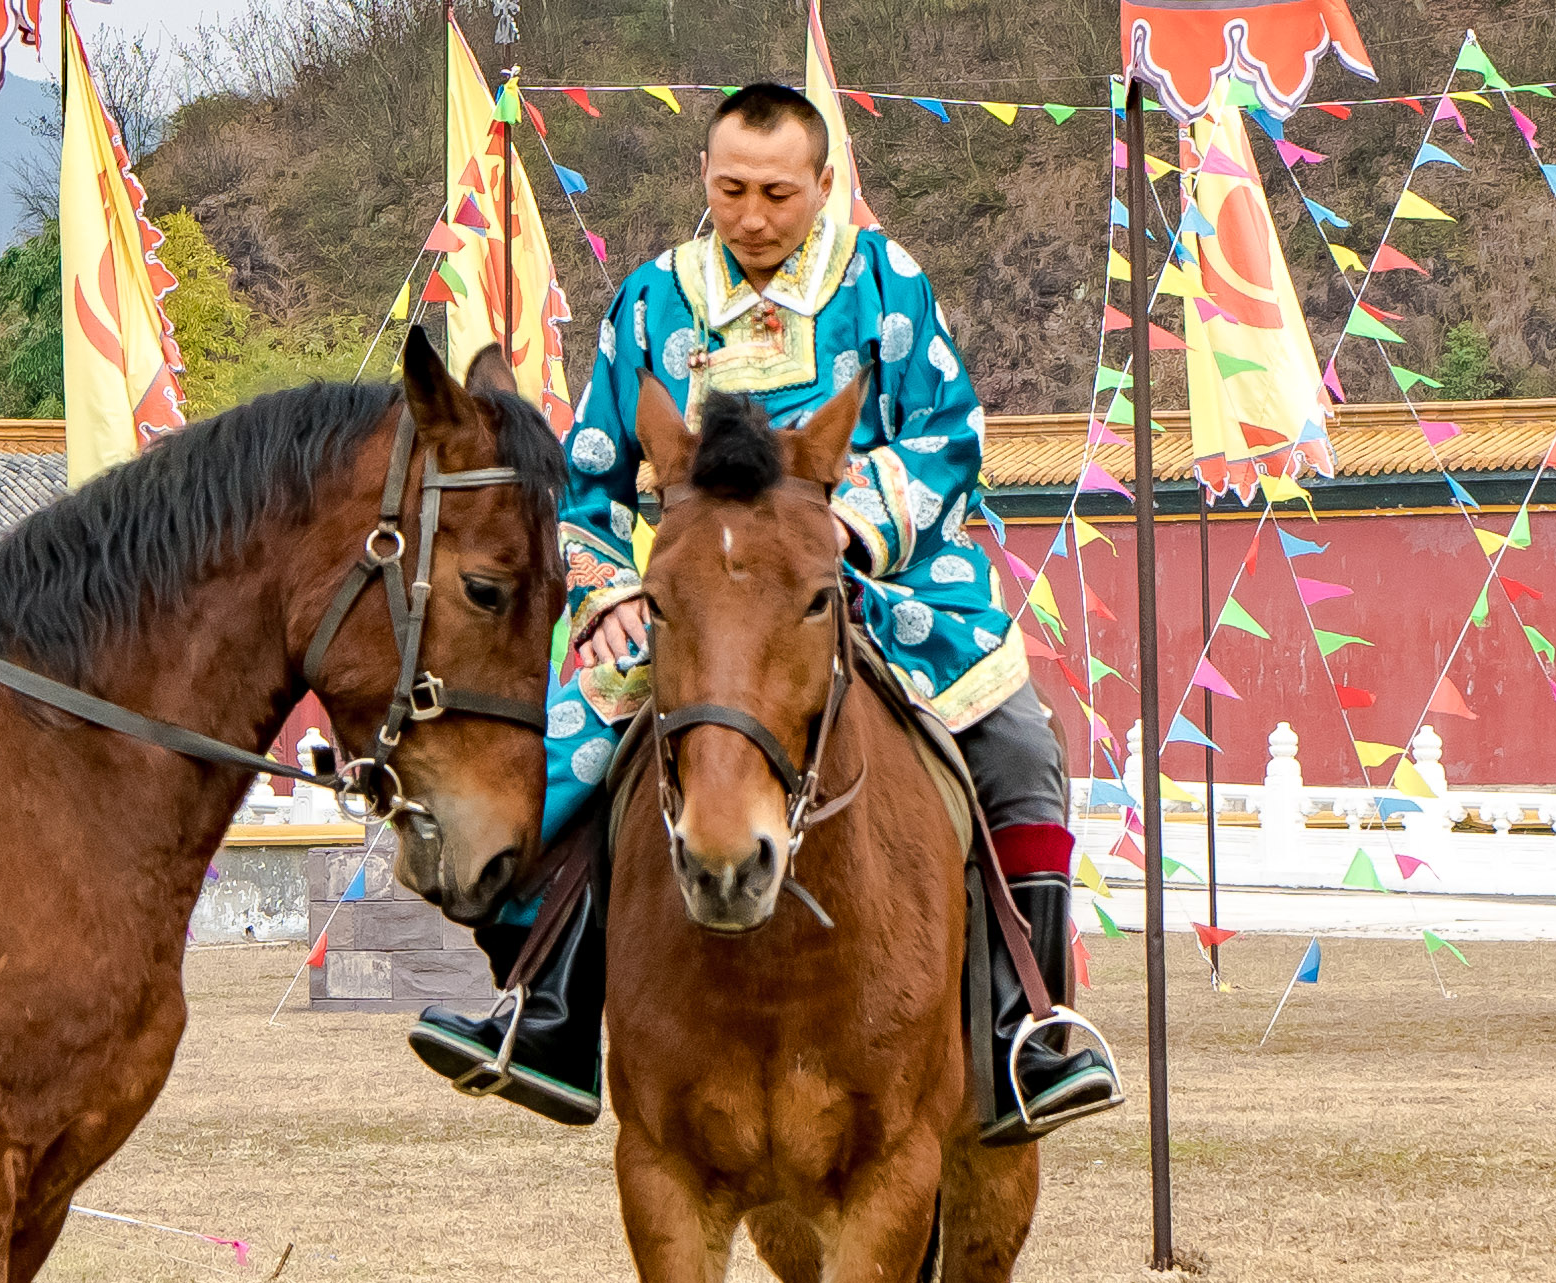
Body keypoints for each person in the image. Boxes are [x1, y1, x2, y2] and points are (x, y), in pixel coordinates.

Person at [412, 81, 1123, 1142]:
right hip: (697, 600)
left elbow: (946, 436)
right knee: (549, 760)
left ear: (821, 186)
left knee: (1019, 746)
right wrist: (606, 590)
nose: (752, 215)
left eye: (778, 193)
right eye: (731, 188)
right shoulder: (652, 301)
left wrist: (848, 526)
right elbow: (590, 477)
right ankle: (547, 1009)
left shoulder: (885, 283)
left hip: (881, 583)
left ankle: (1027, 1029)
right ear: (704, 180)